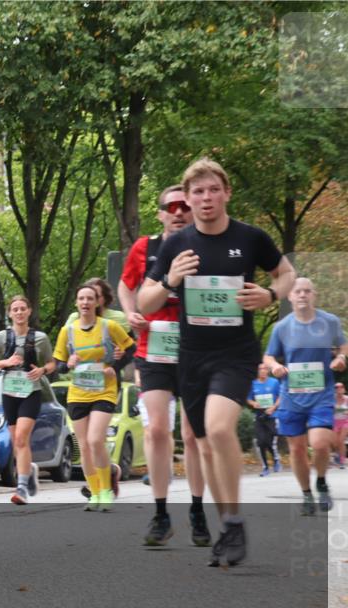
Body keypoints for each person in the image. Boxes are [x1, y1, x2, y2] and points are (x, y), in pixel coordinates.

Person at [140, 158, 296, 567]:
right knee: (207, 448)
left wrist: (271, 295)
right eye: (197, 192)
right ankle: (228, 522)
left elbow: (286, 273)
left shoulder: (250, 238)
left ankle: (236, 521)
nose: (205, 198)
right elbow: (145, 301)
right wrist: (171, 279)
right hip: (191, 357)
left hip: (236, 354)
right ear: (188, 201)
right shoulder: (177, 244)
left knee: (218, 427)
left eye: (212, 190)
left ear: (226, 193)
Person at [118, 183, 209, 547]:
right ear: (160, 214)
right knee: (157, 430)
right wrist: (130, 314)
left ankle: (198, 510)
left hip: (196, 349)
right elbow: (127, 287)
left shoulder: (207, 246)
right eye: (170, 207)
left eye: (184, 206)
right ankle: (160, 513)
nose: (177, 212)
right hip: (152, 348)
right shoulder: (145, 248)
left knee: (192, 435)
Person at [264, 277, 347, 515]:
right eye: (297, 291)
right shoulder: (282, 327)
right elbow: (269, 356)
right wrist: (274, 367)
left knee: (320, 445)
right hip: (291, 397)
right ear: (290, 297)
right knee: (297, 449)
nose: (302, 295)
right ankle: (306, 494)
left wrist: (341, 358)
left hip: (321, 395)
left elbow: (343, 346)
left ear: (314, 295)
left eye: (307, 291)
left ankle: (321, 481)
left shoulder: (329, 322)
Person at [54, 284, 135, 511]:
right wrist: (66, 364)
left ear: (97, 302)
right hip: (78, 392)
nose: (85, 303)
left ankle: (107, 490)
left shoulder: (109, 327)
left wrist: (115, 366)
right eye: (81, 298)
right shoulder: (67, 331)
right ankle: (95, 493)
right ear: (77, 303)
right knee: (85, 447)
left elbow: (131, 348)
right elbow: (58, 365)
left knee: (95, 440)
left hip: (104, 390)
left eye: (90, 298)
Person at [0, 295, 56, 504]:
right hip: (9, 392)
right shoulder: (1, 338)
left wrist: (42, 370)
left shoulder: (40, 338)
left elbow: (51, 364)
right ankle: (28, 469)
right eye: (15, 309)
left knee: (22, 437)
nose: (19, 312)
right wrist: (7, 361)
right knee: (17, 441)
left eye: (23, 308)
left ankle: (21, 488)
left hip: (31, 392)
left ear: (29, 311)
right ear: (10, 313)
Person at [247, 363, 281, 476]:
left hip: (272, 415)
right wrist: (254, 403)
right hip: (259, 416)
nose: (262, 371)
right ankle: (265, 467)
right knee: (260, 442)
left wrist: (273, 407)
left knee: (269, 441)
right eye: (260, 369)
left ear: (268, 370)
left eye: (264, 369)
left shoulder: (274, 382)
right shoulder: (253, 383)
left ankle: (276, 460)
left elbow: (280, 397)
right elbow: (248, 399)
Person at [66, 278, 131, 334]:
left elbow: (132, 343)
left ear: (105, 298)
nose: (86, 302)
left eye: (96, 296)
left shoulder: (119, 317)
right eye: (83, 298)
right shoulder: (74, 318)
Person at [334, 382, 348, 469]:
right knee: (336, 442)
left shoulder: (347, 399)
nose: (339, 389)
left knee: (341, 440)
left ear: (344, 389)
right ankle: (337, 455)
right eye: (337, 388)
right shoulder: (331, 399)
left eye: (341, 387)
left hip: (345, 422)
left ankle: (342, 460)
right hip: (334, 422)